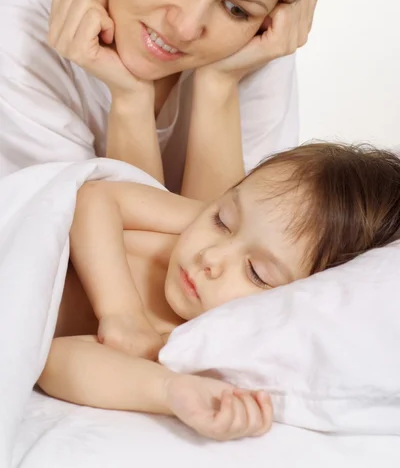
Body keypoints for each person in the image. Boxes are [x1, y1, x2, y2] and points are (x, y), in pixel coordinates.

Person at [37, 142, 400, 441]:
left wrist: (168, 391)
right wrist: (120, 311)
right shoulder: (187, 226)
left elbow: (52, 362)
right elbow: (94, 198)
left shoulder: (179, 341)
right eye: (223, 219)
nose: (211, 256)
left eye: (257, 273)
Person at [0, 0, 324, 200]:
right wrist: (130, 100)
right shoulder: (16, 33)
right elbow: (118, 249)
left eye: (234, 9)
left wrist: (219, 85)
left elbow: (224, 249)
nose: (186, 28)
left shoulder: (255, 46)